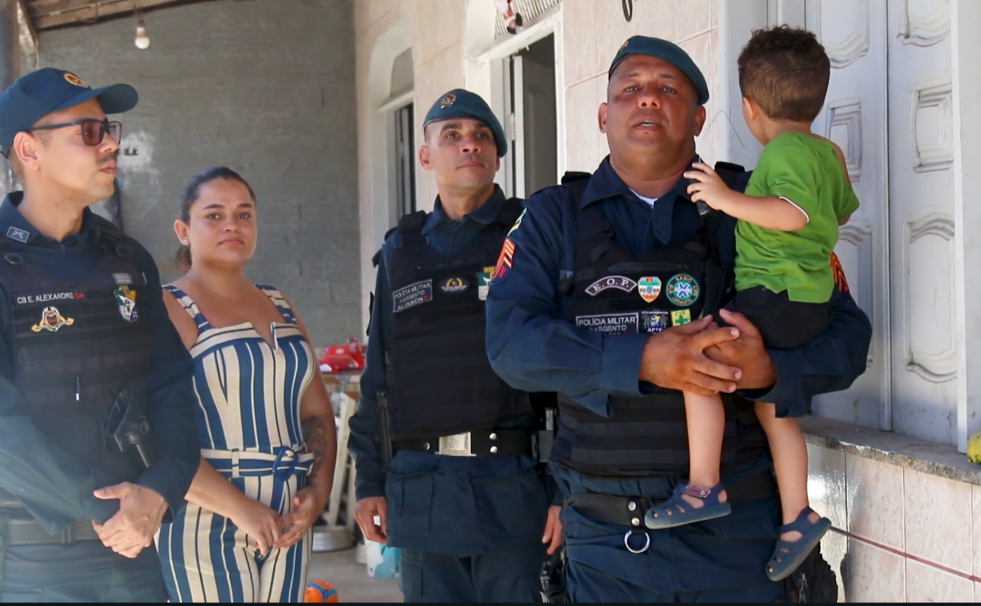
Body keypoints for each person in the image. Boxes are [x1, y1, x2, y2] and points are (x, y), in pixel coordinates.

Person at [484, 36, 872, 602]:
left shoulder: (755, 201)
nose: (647, 100)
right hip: (606, 541)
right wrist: (643, 360)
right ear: (602, 115)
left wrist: (770, 371)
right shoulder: (550, 218)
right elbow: (509, 345)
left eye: (667, 89)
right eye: (630, 90)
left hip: (738, 542)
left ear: (699, 116)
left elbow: (848, 337)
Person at [0, 67, 201, 602]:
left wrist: (159, 490)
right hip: (27, 561)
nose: (110, 145)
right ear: (29, 150)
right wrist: (108, 509)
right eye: (89, 132)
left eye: (109, 129)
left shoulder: (127, 259)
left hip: (133, 553)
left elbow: (171, 386)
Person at [642, 26, 857, 583]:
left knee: (697, 365)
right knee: (773, 406)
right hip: (808, 298)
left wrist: (724, 197)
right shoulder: (825, 152)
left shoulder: (785, 150)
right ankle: (797, 516)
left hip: (775, 295)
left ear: (748, 107)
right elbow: (840, 213)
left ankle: (703, 485)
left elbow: (795, 214)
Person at [348, 89, 561, 603]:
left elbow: (564, 376)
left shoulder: (533, 236)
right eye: (452, 136)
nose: (469, 145)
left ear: (496, 153)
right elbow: (379, 380)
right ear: (425, 156)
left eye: (481, 136)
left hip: (514, 492)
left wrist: (565, 490)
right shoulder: (401, 251)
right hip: (423, 495)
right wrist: (368, 480)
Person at [155, 166, 337, 602]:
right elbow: (154, 432)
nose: (232, 224)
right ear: (184, 230)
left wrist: (318, 490)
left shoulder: (279, 302)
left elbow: (314, 411)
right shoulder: (168, 306)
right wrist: (242, 510)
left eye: (244, 214)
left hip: (287, 518)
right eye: (213, 215)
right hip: (206, 517)